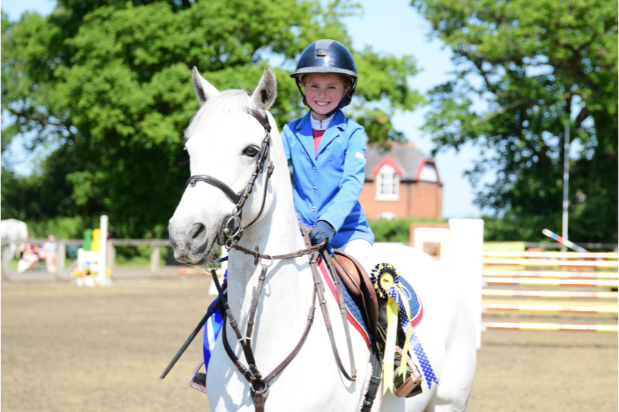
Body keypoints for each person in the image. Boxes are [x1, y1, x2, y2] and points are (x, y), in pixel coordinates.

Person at [281, 39, 375, 271]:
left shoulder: (354, 133)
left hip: (346, 233)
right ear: (303, 87)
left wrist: (329, 222)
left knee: (369, 279)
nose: (322, 94)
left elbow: (352, 183)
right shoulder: (289, 132)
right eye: (314, 86)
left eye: (331, 87)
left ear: (346, 90)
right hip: (298, 231)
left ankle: (377, 308)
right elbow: (273, 176)